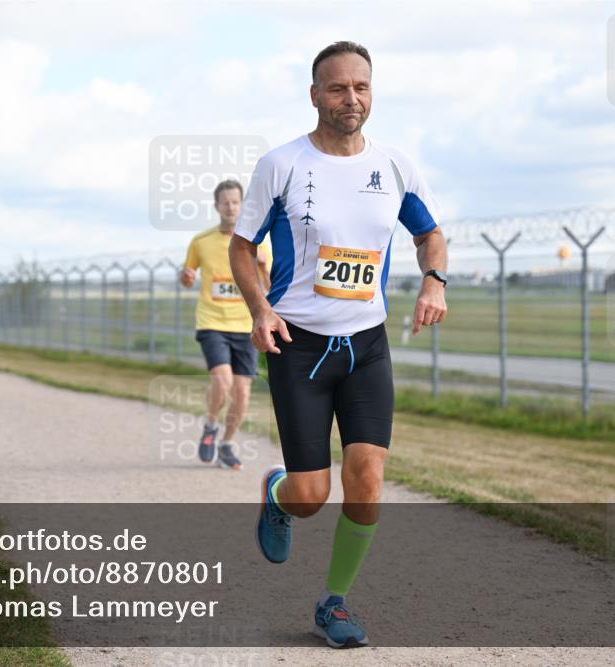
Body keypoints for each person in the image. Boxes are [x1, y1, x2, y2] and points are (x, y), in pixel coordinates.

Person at [229, 41, 448, 649]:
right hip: (297, 345)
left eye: (361, 87)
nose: (351, 98)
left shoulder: (396, 166)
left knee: (368, 478)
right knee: (311, 496)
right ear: (314, 95)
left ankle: (334, 602)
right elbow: (242, 247)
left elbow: (430, 235)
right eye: (338, 88)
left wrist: (434, 280)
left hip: (366, 346)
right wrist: (260, 309)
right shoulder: (281, 165)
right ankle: (279, 495)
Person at [182, 180, 272, 470]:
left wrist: (263, 268)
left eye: (235, 202)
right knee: (223, 381)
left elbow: (271, 288)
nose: (231, 207)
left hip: (246, 325)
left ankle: (227, 444)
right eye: (225, 202)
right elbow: (187, 276)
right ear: (216, 206)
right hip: (212, 321)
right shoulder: (201, 241)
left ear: (242, 205)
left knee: (242, 393)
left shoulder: (259, 243)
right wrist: (186, 277)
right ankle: (211, 425)